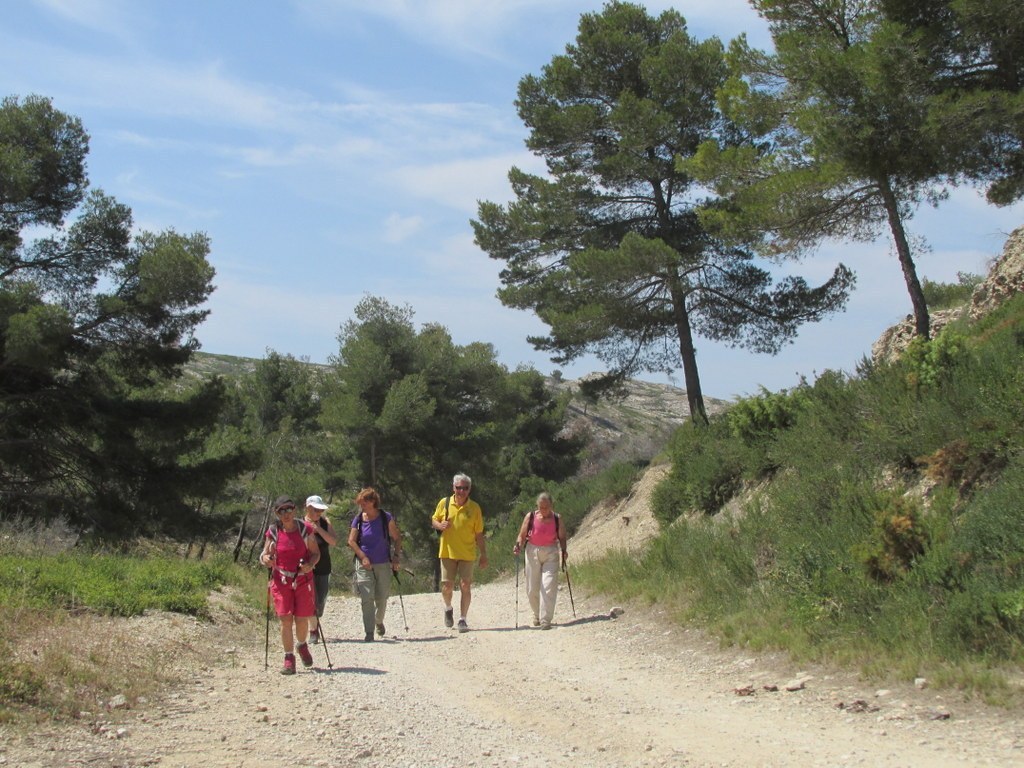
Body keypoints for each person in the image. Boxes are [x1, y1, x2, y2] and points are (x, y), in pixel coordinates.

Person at [259, 495, 320, 674]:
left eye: (288, 509)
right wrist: (266, 559)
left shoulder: (305, 529)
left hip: (302, 579)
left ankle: (301, 645)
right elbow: (264, 554)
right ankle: (288, 658)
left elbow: (315, 553)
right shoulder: (274, 531)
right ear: (276, 513)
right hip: (281, 580)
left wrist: (311, 564)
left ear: (294, 510)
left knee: (301, 619)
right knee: (285, 619)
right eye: (281, 511)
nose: (285, 514)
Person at [431, 472, 488, 633]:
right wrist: (439, 525)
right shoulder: (445, 503)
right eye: (458, 488)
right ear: (453, 488)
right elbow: (434, 519)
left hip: (467, 553)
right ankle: (448, 608)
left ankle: (463, 619)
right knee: (447, 586)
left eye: (465, 488)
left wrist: (483, 554)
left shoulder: (475, 508)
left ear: (469, 490)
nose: (461, 491)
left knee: (465, 585)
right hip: (447, 551)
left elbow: (478, 533)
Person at [347, 487, 402, 642]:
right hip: (363, 564)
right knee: (366, 597)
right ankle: (369, 632)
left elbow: (397, 537)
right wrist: (362, 557)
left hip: (383, 562)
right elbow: (351, 541)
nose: (361, 506)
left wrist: (396, 557)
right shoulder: (358, 519)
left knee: (382, 598)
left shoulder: (385, 518)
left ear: (372, 502)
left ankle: (378, 620)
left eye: (363, 503)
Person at [513, 492, 568, 630]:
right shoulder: (530, 517)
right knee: (532, 588)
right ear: (537, 506)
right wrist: (518, 545)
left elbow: (562, 537)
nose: (544, 510)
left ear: (551, 505)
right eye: (541, 507)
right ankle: (536, 614)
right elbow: (522, 534)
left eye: (547, 507)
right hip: (532, 551)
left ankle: (545, 619)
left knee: (548, 585)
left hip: (551, 552)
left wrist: (564, 550)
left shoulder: (557, 518)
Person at [303, 495, 339, 644]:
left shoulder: (325, 523)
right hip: (307, 567)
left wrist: (318, 530)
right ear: (308, 508)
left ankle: (316, 621)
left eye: (320, 510)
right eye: (316, 509)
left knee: (320, 600)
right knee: (311, 600)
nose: (318, 513)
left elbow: (333, 541)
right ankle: (313, 631)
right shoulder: (300, 524)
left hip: (324, 567)